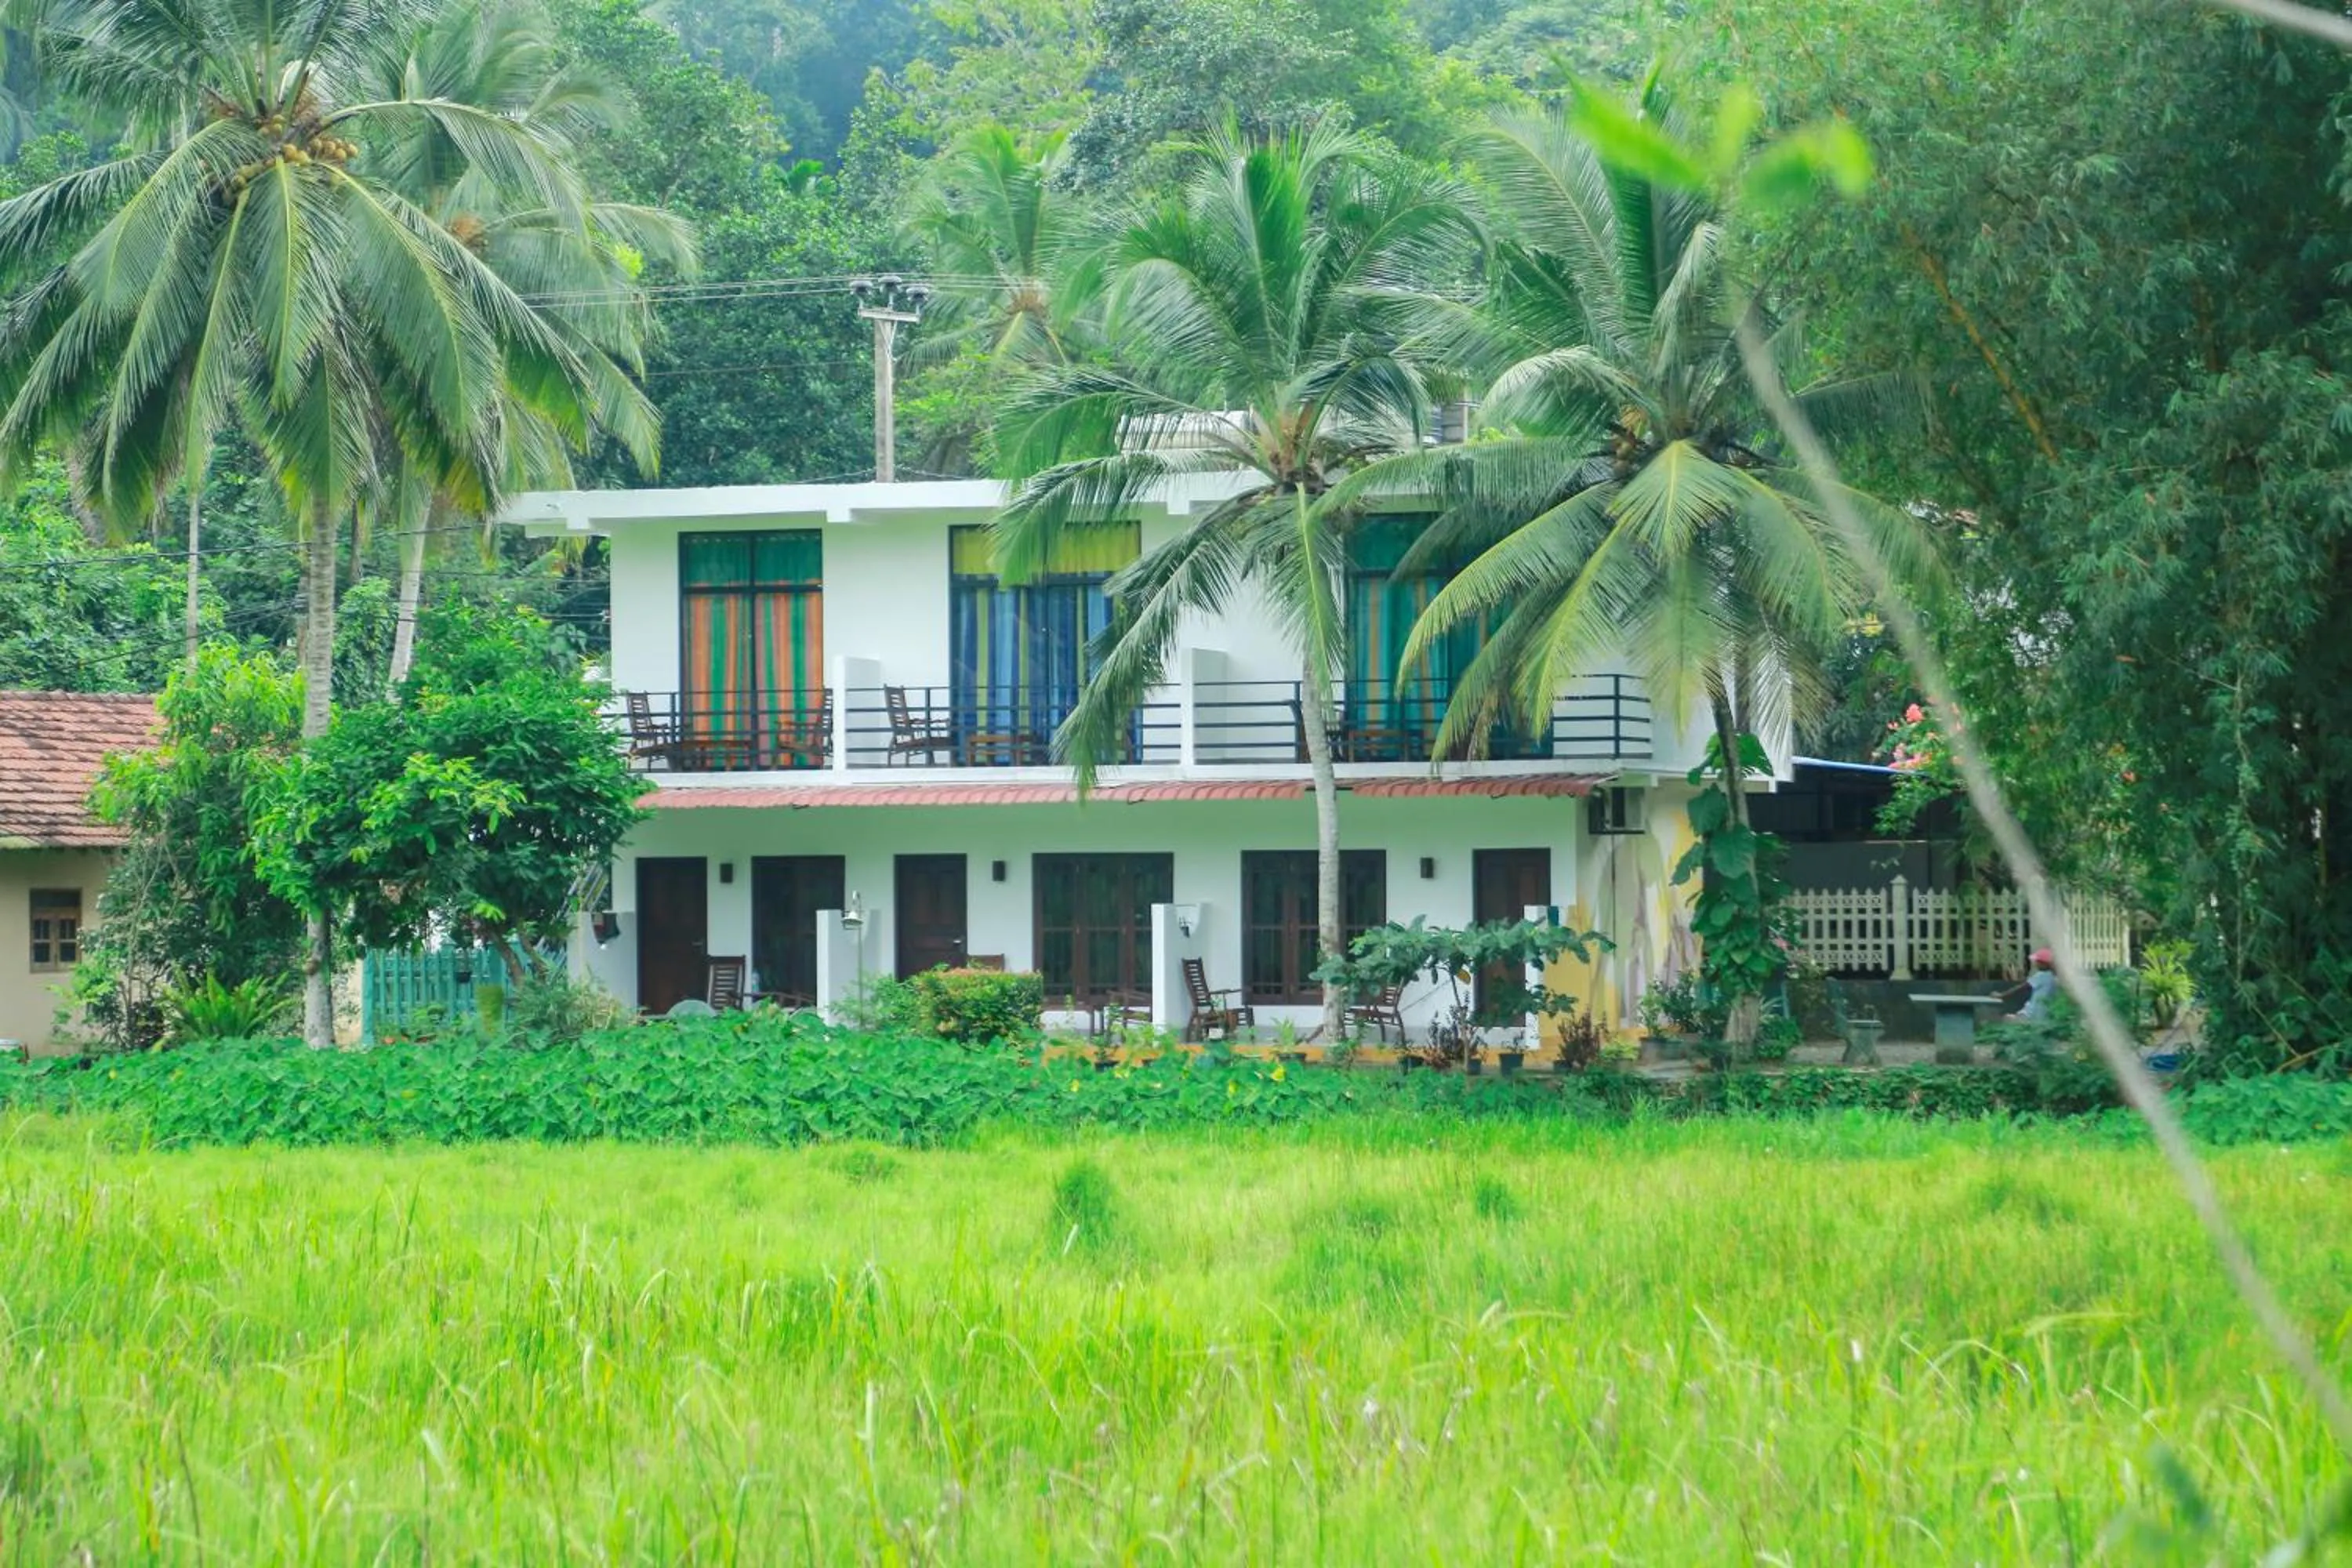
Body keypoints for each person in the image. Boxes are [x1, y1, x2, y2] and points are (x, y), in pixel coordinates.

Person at [2003, 948, 2057, 1021]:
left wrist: (2003, 995)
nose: (2035, 964)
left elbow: (2022, 987)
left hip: (2032, 1013)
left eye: (2037, 962)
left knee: (2006, 1019)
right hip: (2044, 1014)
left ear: (2043, 964)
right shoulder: (2053, 977)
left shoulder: (2041, 975)